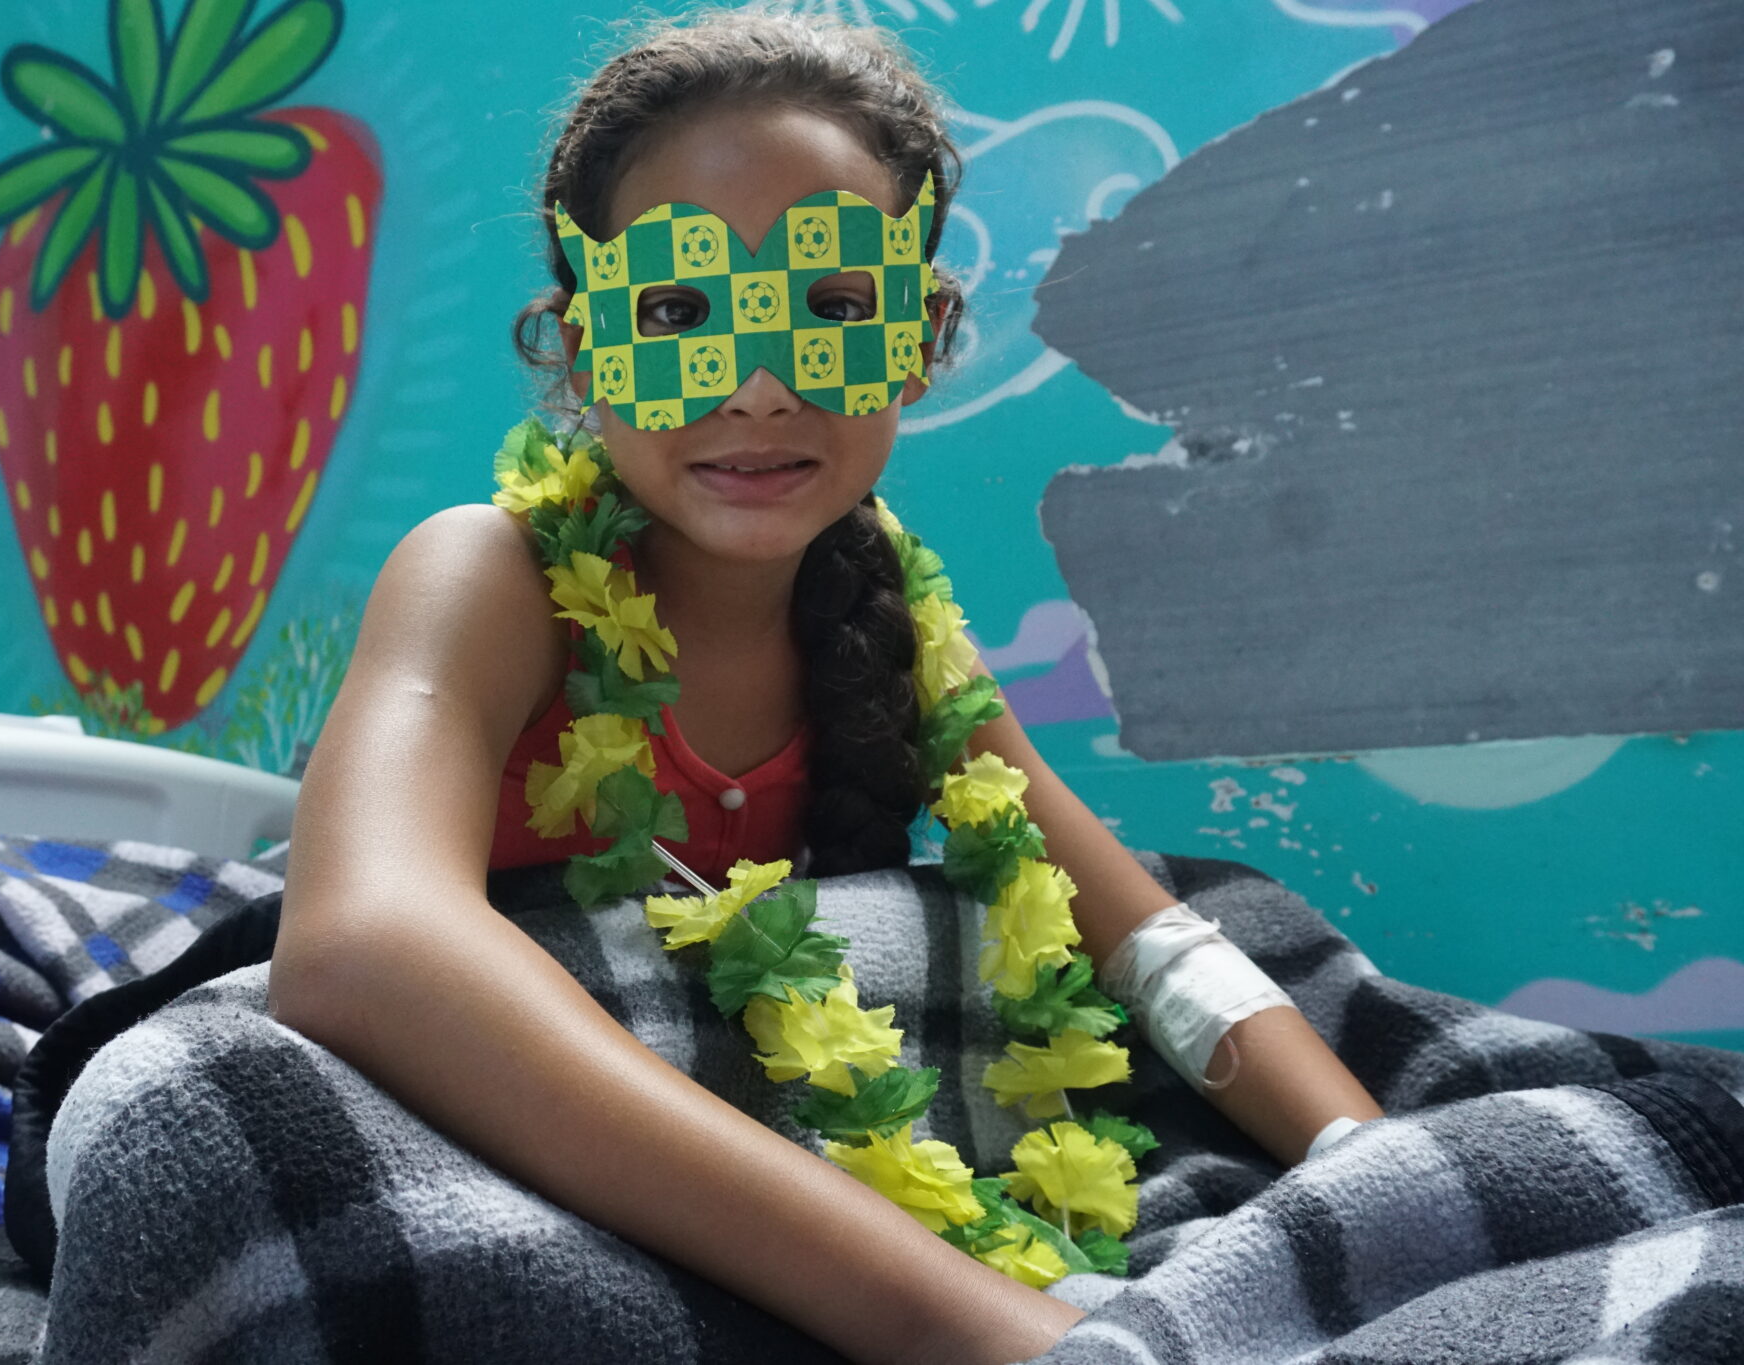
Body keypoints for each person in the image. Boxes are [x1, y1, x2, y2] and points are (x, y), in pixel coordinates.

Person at [265, 11, 1382, 1363]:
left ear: (919, 337)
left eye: (834, 308)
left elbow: (1143, 942)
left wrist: (1364, 1167)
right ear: (582, 345)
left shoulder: (889, 616)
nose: (756, 386)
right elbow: (360, 947)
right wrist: (973, 1323)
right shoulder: (488, 578)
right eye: (679, 311)